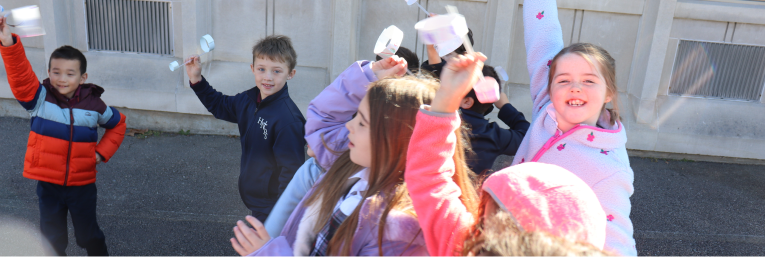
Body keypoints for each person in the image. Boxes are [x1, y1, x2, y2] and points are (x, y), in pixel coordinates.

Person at [229, 56, 478, 256]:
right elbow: (322, 121)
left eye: (362, 122)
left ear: (394, 139)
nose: (348, 125)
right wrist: (368, 75)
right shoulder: (351, 164)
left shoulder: (398, 230)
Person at [405, 53, 608, 257]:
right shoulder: (493, 135)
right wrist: (505, 106)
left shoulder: (464, 247)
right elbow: (524, 133)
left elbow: (428, 178)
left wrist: (447, 95)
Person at [511, 0, 636, 255]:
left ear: (609, 92)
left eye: (589, 80)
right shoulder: (547, 103)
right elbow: (541, 35)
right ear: (550, 87)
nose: (575, 87)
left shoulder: (610, 169)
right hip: (501, 234)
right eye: (564, 80)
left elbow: (617, 244)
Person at [0, 17, 126, 256]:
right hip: (48, 185)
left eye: (70, 73)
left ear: (83, 78)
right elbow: (20, 75)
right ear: (48, 72)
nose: (61, 78)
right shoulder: (39, 99)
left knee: (88, 236)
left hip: (82, 185)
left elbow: (119, 124)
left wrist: (101, 152)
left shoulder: (94, 105)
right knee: (52, 240)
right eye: (56, 72)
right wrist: (8, 43)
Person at [185, 35, 306, 222]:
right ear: (252, 69)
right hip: (256, 199)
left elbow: (291, 173)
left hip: (272, 208)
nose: (267, 77)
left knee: (260, 251)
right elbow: (220, 105)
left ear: (291, 74)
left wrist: (282, 217)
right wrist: (196, 79)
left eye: (277, 71)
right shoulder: (249, 100)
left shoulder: (288, 120)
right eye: (261, 69)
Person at [460, 65, 529, 175]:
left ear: (467, 101)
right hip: (470, 192)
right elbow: (527, 137)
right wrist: (505, 106)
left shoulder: (439, 120)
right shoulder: (492, 135)